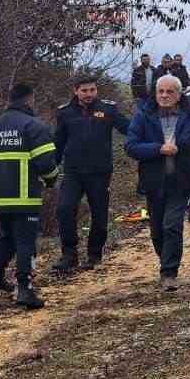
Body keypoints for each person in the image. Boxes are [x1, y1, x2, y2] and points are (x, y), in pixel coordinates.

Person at [0, 83, 60, 309]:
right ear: (30, 100)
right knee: (26, 241)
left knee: (7, 237)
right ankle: (24, 289)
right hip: (25, 195)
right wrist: (52, 180)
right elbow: (46, 163)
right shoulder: (33, 126)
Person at [125, 74, 190, 290]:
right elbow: (131, 146)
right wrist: (158, 149)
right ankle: (165, 260)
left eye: (169, 91)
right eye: (160, 91)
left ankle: (169, 272)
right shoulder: (143, 115)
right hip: (154, 182)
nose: (164, 95)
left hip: (182, 181)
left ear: (179, 94)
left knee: (172, 225)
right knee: (157, 231)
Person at [51, 73, 131, 274]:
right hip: (73, 171)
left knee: (99, 215)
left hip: (99, 171)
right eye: (84, 90)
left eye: (92, 90)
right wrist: (49, 168)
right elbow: (58, 143)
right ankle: (69, 254)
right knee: (64, 209)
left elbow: (129, 129)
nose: (89, 94)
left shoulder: (108, 109)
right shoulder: (65, 112)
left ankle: (94, 254)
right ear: (76, 90)